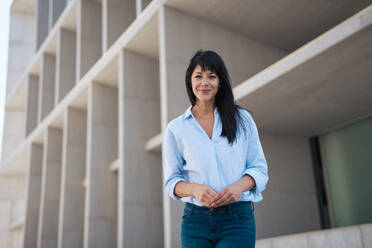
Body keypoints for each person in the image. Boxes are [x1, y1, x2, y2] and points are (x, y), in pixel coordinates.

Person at [162, 50, 269, 248]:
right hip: (195, 221)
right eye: (198, 76)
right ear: (189, 81)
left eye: (211, 76)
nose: (205, 82)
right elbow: (171, 182)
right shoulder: (176, 128)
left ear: (220, 82)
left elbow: (259, 169)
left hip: (237, 218)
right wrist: (195, 189)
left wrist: (237, 188)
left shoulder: (242, 119)